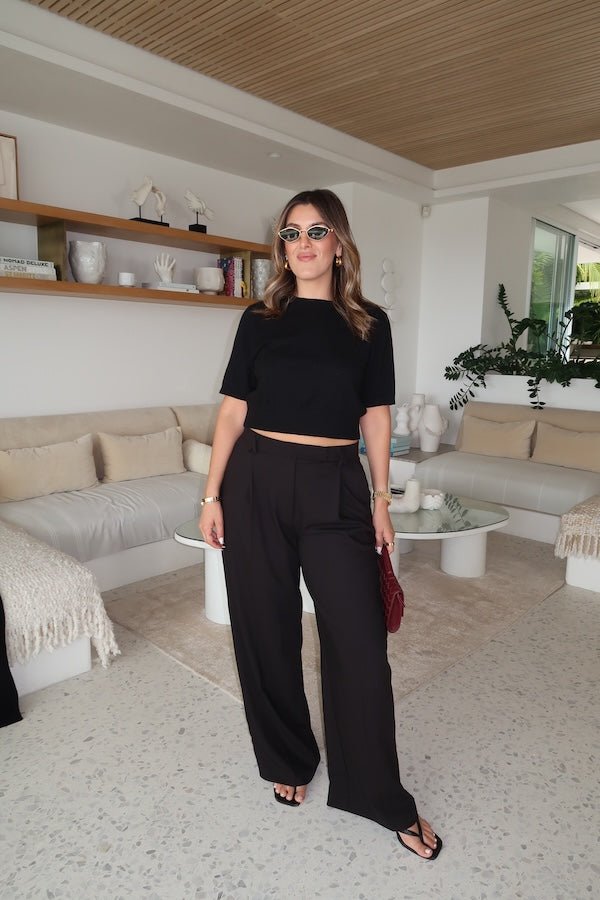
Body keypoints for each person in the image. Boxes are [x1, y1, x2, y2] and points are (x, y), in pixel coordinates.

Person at [199, 188, 442, 860]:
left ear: (339, 243)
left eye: (316, 231)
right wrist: (211, 494)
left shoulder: (370, 324)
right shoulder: (260, 319)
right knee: (264, 626)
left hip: (336, 485)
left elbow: (376, 417)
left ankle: (377, 793)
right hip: (256, 479)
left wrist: (382, 500)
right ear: (282, 248)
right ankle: (287, 757)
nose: (302, 244)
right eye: (291, 233)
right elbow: (231, 412)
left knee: (360, 641)